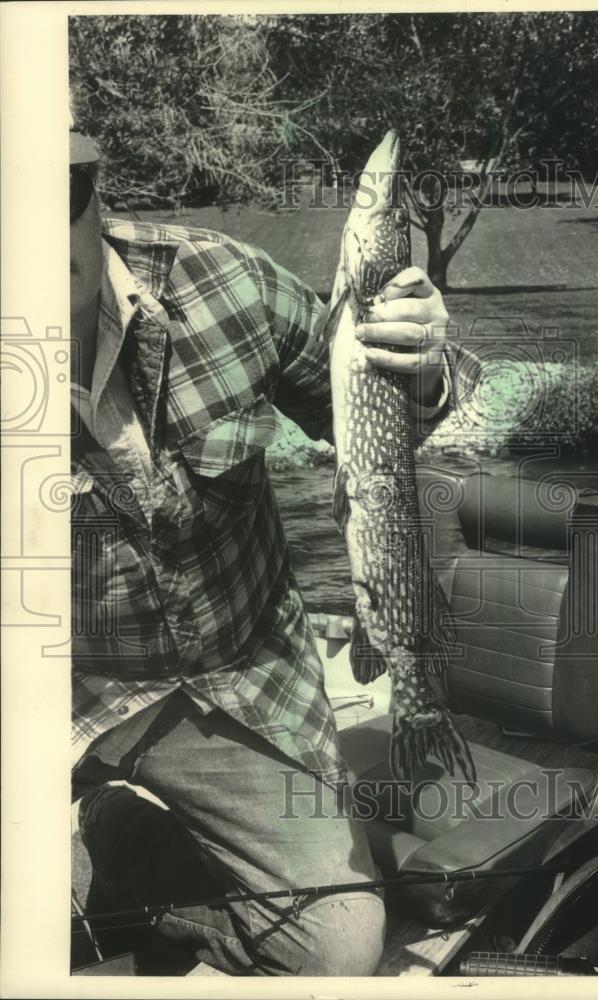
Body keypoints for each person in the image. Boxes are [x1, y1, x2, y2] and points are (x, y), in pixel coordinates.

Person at [69, 116, 474, 976]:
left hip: (243, 671)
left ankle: (118, 837)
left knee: (336, 946)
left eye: (55, 197)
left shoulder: (224, 280)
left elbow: (368, 423)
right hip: (62, 692)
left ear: (98, 188)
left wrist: (424, 362)